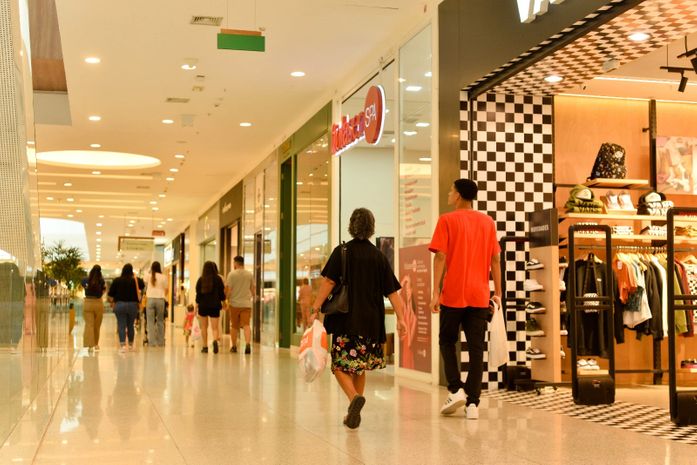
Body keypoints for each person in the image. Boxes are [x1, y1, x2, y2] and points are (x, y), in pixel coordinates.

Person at [311, 208, 407, 429]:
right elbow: (393, 293)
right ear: (372, 227)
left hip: (346, 319)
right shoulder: (378, 256)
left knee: (339, 366)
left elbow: (329, 282)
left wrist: (316, 307)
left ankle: (354, 398)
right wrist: (401, 319)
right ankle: (354, 411)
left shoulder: (342, 251)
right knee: (359, 367)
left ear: (352, 225)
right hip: (371, 321)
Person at [429, 178, 502, 420]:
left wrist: (434, 292)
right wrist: (498, 292)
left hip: (452, 294)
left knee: (447, 341)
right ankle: (473, 403)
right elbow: (495, 260)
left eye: (451, 190)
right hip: (479, 295)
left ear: (458, 195)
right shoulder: (487, 222)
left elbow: (440, 257)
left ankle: (455, 388)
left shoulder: (447, 220)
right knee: (476, 349)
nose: (449, 194)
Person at [108, 264, 142, 352]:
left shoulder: (117, 280)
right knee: (131, 325)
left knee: (121, 325)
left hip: (120, 305)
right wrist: (135, 276)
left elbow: (110, 294)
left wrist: (112, 302)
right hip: (132, 305)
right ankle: (130, 345)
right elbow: (142, 286)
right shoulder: (135, 280)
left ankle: (122, 346)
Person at [226, 256, 254, 354]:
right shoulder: (249, 274)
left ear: (236, 263)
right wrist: (253, 298)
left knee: (234, 326)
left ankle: (234, 346)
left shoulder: (231, 274)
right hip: (246, 304)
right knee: (246, 325)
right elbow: (252, 289)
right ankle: (247, 344)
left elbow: (228, 290)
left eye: (234, 263)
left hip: (234, 304)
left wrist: (226, 299)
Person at [196, 261, 226, 354]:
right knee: (215, 328)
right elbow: (222, 294)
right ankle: (215, 341)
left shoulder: (201, 280)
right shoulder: (218, 279)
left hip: (203, 306)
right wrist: (224, 302)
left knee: (204, 327)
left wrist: (196, 306)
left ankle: (205, 347)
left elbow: (198, 295)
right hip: (215, 306)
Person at [82, 265, 106, 351]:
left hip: (88, 303)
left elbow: (84, 287)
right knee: (97, 325)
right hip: (98, 303)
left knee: (89, 324)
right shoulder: (101, 281)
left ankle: (89, 346)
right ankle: (96, 344)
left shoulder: (85, 280)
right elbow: (103, 290)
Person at [145, 261, 168, 347]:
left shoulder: (149, 276)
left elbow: (145, 277)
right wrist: (162, 296)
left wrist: (149, 270)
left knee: (150, 321)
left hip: (150, 299)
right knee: (160, 321)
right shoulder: (164, 277)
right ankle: (161, 342)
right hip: (160, 300)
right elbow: (166, 289)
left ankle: (152, 342)